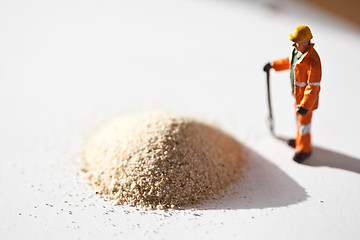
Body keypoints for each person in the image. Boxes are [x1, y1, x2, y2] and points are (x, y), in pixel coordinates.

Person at [263, 26, 322, 163]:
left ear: (307, 41)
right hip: (297, 95)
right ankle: (299, 141)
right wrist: (273, 65)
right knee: (298, 122)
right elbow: (288, 62)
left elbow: (313, 87)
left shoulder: (313, 61)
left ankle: (305, 149)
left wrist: (305, 105)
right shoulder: (297, 52)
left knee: (304, 125)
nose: (294, 44)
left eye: (297, 42)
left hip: (306, 101)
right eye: (294, 41)